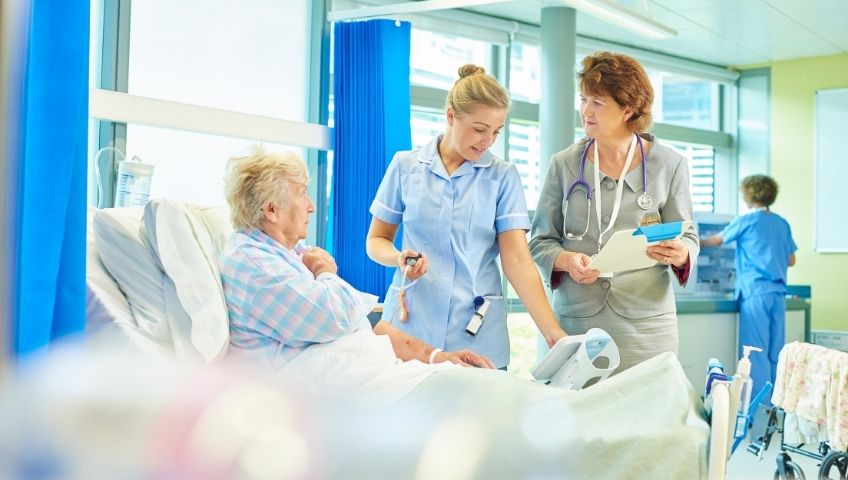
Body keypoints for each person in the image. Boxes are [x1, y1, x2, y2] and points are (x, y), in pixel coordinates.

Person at [218, 147, 495, 380]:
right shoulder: (253, 263)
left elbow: (364, 322)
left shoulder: (291, 254)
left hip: (375, 372)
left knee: (478, 389)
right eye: (302, 194)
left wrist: (437, 358)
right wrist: (326, 272)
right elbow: (336, 317)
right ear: (271, 209)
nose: (311, 206)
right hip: (336, 392)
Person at [366, 64, 567, 370]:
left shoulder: (502, 177)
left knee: (477, 418)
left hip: (476, 335)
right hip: (411, 331)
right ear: (451, 116)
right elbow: (376, 240)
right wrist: (397, 258)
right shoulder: (405, 166)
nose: (487, 141)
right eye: (479, 129)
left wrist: (552, 332)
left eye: (495, 132)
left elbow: (517, 260)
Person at [529, 51, 699, 374]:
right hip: (579, 322)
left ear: (628, 109)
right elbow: (539, 240)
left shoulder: (669, 165)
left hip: (646, 327)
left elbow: (688, 236)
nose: (585, 111)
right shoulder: (564, 164)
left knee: (644, 415)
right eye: (583, 100)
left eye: (597, 103)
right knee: (579, 417)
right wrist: (567, 260)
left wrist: (680, 253)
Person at [701, 174, 797, 400]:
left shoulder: (746, 221)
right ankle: (774, 408)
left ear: (748, 195)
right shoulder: (782, 223)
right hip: (778, 294)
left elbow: (717, 240)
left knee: (754, 353)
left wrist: (692, 242)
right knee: (776, 352)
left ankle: (757, 410)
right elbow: (791, 260)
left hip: (755, 293)